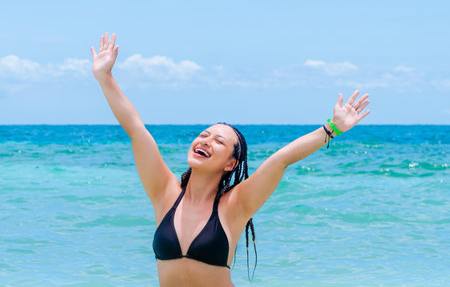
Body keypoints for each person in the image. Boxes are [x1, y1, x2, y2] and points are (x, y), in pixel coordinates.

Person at [90, 32, 371, 287]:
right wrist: (105, 77)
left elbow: (281, 159)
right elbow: (137, 131)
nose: (205, 141)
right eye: (204, 134)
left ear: (231, 164)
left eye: (218, 141)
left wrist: (332, 128)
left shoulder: (236, 204)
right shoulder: (164, 193)